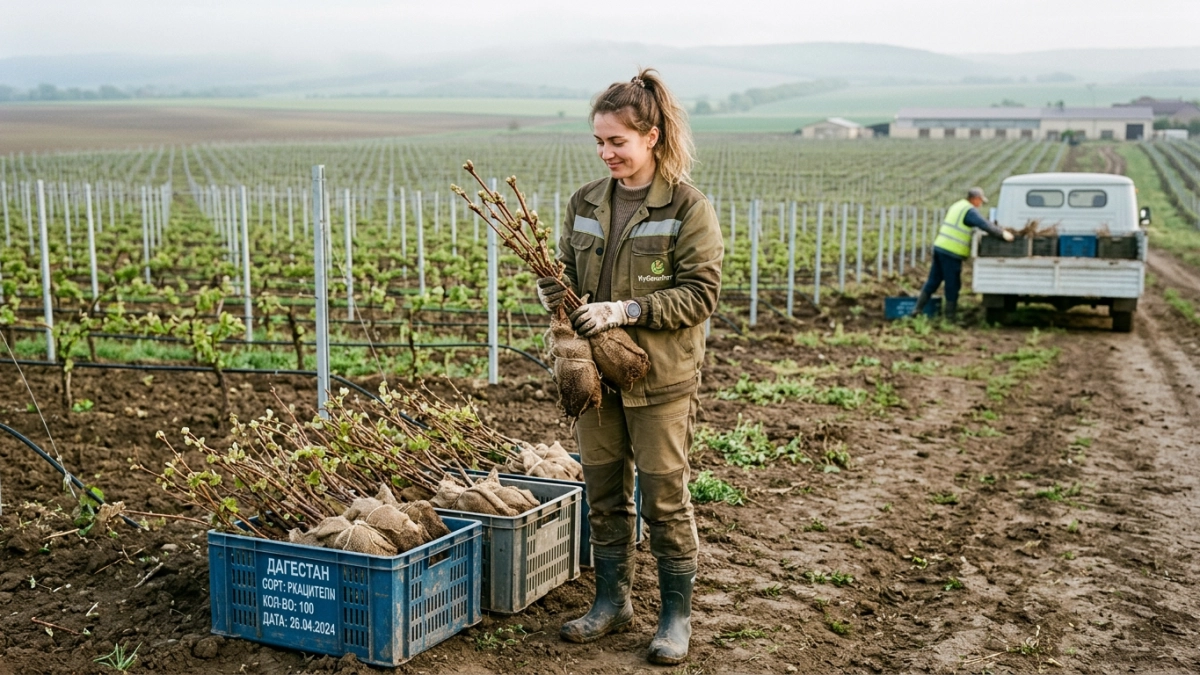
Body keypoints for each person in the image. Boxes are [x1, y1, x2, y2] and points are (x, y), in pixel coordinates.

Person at [535, 68, 723, 665]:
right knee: (604, 492)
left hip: (658, 379)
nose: (606, 152)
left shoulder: (688, 208)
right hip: (594, 377)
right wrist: (556, 292)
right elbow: (567, 271)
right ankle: (612, 602)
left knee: (664, 497)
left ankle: (675, 616)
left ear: (653, 137)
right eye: (599, 141)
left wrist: (627, 309)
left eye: (617, 140)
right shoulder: (585, 202)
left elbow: (701, 294)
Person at [913, 187, 1013, 321]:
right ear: (975, 199)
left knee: (933, 280)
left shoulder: (958, 205)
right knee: (952, 284)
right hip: (951, 252)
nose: (981, 204)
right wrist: (1002, 234)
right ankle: (949, 317)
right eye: (980, 201)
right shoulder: (969, 211)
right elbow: (984, 225)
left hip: (940, 247)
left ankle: (917, 309)